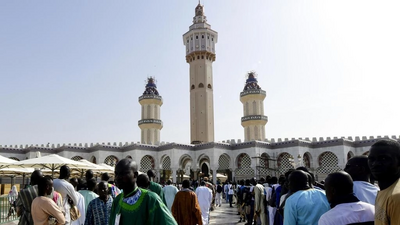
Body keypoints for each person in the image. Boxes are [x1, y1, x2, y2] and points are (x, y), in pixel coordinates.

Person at [109, 158, 177, 225]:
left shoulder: (150, 199)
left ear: (135, 175)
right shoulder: (117, 201)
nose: (118, 177)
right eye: (116, 174)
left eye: (123, 174)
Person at [368, 139, 400, 225]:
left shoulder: (396, 197)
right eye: (371, 159)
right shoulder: (384, 190)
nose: (375, 164)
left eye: (383, 158)